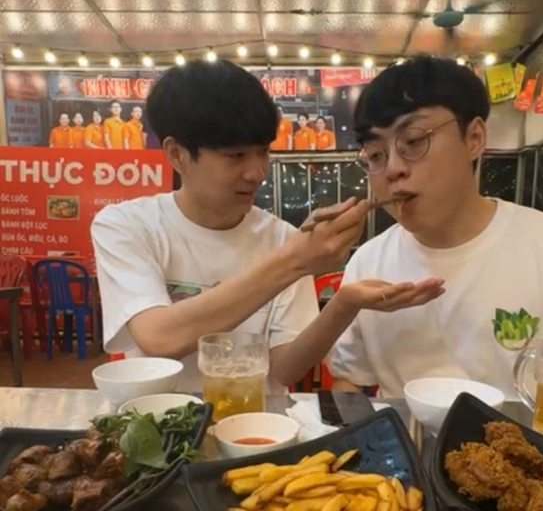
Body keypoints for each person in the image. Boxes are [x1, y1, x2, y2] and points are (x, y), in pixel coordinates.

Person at [91, 60, 443, 392]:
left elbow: (285, 370)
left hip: (255, 424)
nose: (257, 172)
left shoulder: (283, 239)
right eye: (236, 156)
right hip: (160, 423)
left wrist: (344, 304)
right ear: (177, 154)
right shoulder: (126, 226)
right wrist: (295, 261)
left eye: (262, 152)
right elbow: (158, 337)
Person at [327, 56, 543, 399]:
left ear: (474, 138)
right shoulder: (368, 263)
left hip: (526, 433)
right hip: (403, 433)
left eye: (413, 141)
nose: (393, 169)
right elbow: (348, 382)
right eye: (375, 155)